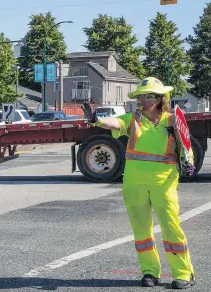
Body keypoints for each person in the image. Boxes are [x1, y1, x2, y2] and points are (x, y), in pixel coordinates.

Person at [82, 77, 195, 289]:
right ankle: (150, 272)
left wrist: (189, 163)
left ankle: (183, 273)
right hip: (135, 183)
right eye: (141, 96)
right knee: (142, 230)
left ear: (161, 98)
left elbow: (185, 147)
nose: (143, 100)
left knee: (171, 227)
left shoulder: (172, 121)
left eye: (148, 96)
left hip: (164, 182)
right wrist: (96, 119)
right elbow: (115, 122)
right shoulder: (132, 119)